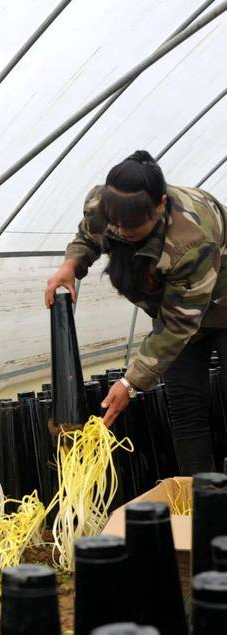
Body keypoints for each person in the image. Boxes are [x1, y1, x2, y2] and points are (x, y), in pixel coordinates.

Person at [44, 150, 227, 475]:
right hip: (177, 308)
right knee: (185, 407)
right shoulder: (106, 206)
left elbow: (178, 324)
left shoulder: (191, 237)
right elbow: (88, 235)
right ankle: (201, 504)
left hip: (219, 301)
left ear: (160, 207)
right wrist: (70, 265)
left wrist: (130, 383)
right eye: (117, 225)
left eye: (134, 227)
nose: (123, 232)